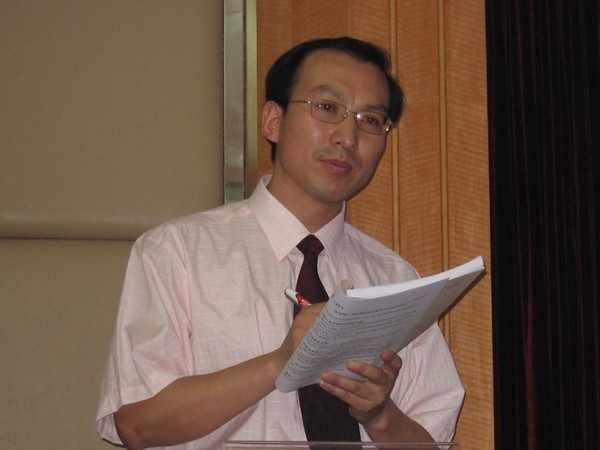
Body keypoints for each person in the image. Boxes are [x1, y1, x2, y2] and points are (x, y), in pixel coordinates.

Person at [96, 37, 465, 449]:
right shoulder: (178, 251)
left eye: (370, 119)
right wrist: (281, 362)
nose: (348, 137)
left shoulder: (395, 279)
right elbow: (137, 424)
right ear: (273, 121)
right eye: (327, 108)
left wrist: (380, 415)